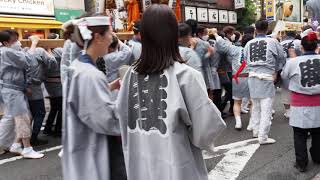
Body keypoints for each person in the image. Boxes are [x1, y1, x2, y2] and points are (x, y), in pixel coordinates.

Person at [117, 5, 226, 180]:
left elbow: (122, 116)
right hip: (176, 159)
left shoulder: (131, 74)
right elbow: (205, 127)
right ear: (173, 34)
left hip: (139, 159)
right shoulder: (185, 74)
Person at [61, 16, 124, 180]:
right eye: (110, 33)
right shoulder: (91, 75)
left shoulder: (78, 66)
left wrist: (109, 86)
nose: (112, 38)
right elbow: (107, 120)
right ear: (98, 37)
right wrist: (127, 98)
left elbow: (83, 99)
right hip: (96, 147)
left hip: (82, 144)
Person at [0, 30, 44, 158]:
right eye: (14, 41)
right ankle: (27, 148)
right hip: (12, 90)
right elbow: (29, 61)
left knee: (24, 117)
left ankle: (16, 144)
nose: (17, 42)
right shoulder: (6, 51)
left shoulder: (7, 50)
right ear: (5, 42)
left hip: (15, 89)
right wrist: (34, 44)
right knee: (22, 118)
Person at [281, 31, 320, 172]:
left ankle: (301, 163)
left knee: (299, 134)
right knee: (318, 133)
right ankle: (317, 157)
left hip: (299, 103)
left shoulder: (293, 62)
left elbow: (284, 75)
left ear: (302, 48)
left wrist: (293, 58)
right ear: (316, 46)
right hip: (319, 102)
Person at [244, 19, 286, 145]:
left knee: (255, 106)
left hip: (252, 78)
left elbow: (245, 60)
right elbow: (282, 58)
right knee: (266, 108)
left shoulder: (249, 43)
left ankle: (256, 131)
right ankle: (262, 136)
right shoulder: (273, 42)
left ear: (255, 29)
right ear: (267, 29)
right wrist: (276, 71)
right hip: (266, 76)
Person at [214, 29, 254, 130]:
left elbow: (222, 43)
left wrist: (215, 34)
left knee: (237, 102)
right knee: (253, 102)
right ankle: (251, 123)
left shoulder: (235, 49)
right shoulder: (254, 51)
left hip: (238, 79)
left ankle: (238, 122)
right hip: (251, 78)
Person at [26, 46, 57, 145]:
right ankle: (34, 138)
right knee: (39, 113)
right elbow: (53, 64)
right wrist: (49, 51)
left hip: (24, 87)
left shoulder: (22, 51)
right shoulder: (39, 50)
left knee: (28, 115)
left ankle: (25, 138)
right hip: (34, 87)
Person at [280, 30, 302, 118]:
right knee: (298, 89)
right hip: (298, 68)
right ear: (295, 35)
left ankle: (288, 111)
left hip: (285, 68)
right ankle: (297, 108)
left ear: (285, 35)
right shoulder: (298, 42)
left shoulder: (280, 44)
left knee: (286, 90)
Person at [43, 41, 63, 137]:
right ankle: (58, 131)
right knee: (61, 109)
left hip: (48, 84)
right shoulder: (58, 50)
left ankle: (47, 128)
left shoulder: (43, 52)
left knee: (54, 108)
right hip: (57, 83)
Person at [194, 25, 218, 101]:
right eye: (205, 33)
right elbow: (201, 58)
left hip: (195, 69)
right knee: (208, 90)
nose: (207, 35)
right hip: (204, 69)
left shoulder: (191, 41)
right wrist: (209, 54)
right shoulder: (204, 43)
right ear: (200, 33)